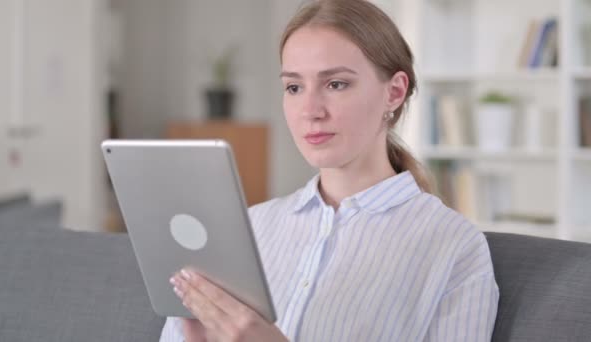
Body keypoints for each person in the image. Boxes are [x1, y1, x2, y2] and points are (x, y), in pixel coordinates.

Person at [160, 0, 499, 340]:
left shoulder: (453, 245)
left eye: (336, 84)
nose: (310, 110)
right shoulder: (248, 229)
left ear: (394, 92)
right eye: (294, 87)